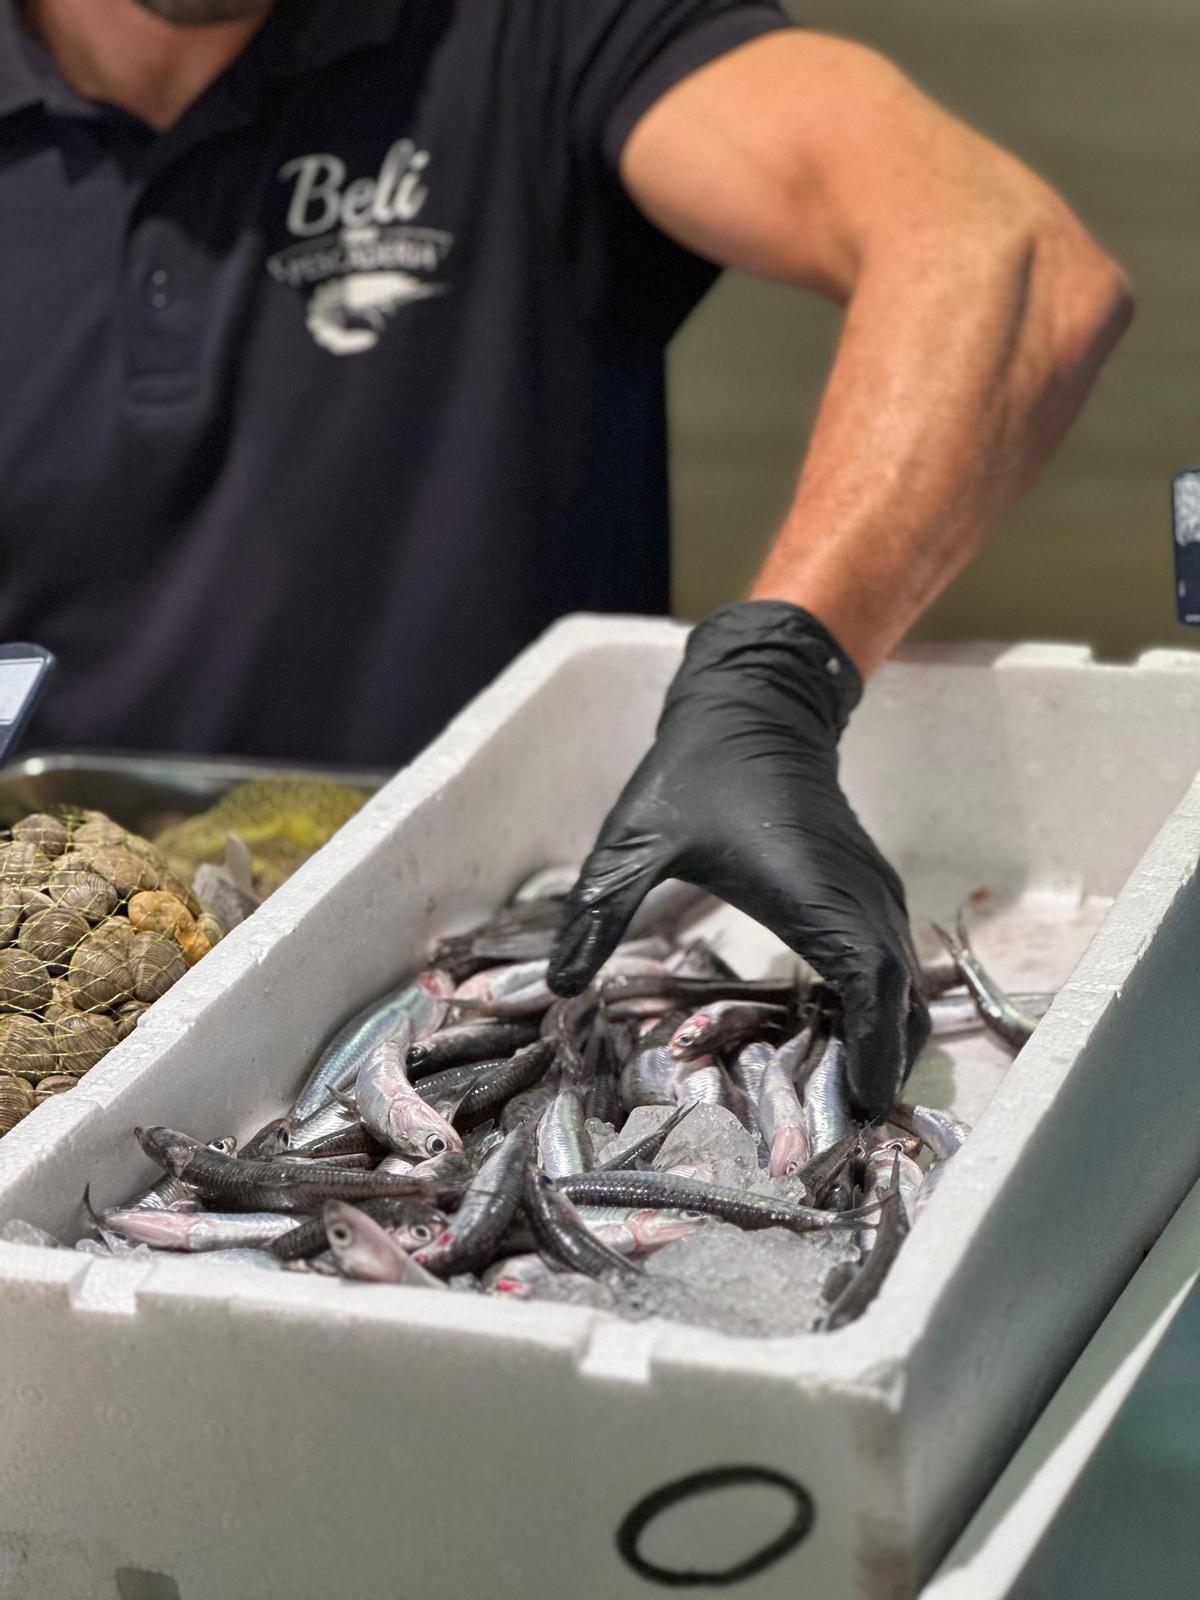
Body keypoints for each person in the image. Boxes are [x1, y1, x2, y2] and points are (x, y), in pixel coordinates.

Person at [0, 0, 1132, 1112]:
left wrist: (772, 680)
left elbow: (1003, 251)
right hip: (70, 992)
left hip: (533, 965)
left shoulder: (535, 29)